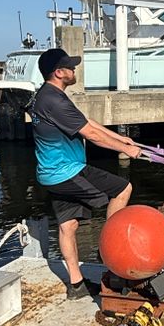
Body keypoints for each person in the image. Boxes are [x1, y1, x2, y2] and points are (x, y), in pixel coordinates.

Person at [30, 48, 142, 299]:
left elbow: (86, 121)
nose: (74, 70)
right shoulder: (54, 101)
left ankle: (76, 285)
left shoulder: (48, 95)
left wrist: (120, 138)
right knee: (122, 189)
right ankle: (111, 252)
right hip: (67, 171)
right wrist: (126, 150)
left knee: (68, 226)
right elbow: (90, 135)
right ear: (59, 73)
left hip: (50, 174)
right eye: (70, 67)